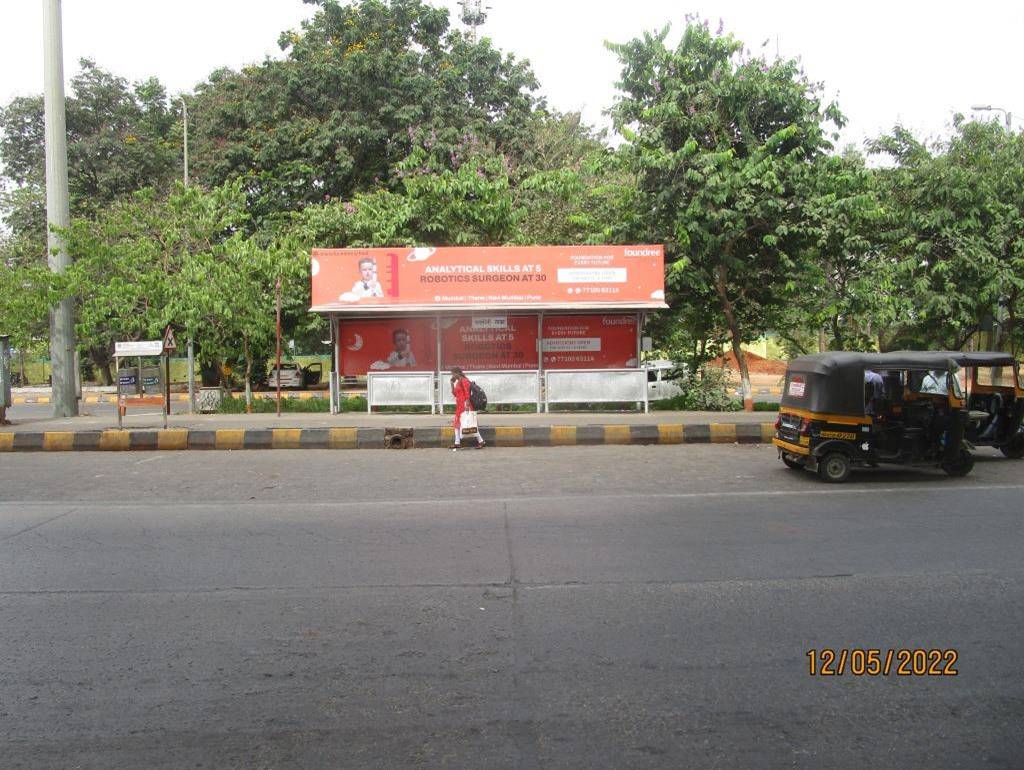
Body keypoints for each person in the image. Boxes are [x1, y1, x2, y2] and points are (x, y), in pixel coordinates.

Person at [450, 366, 484, 450]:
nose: (452, 376)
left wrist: (467, 404)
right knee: (457, 424)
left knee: (471, 423)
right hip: (459, 406)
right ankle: (457, 443)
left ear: (458, 373)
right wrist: (452, 384)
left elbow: (467, 393)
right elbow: (455, 394)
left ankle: (481, 441)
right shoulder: (458, 382)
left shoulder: (464, 380)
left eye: (453, 374)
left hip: (465, 405)